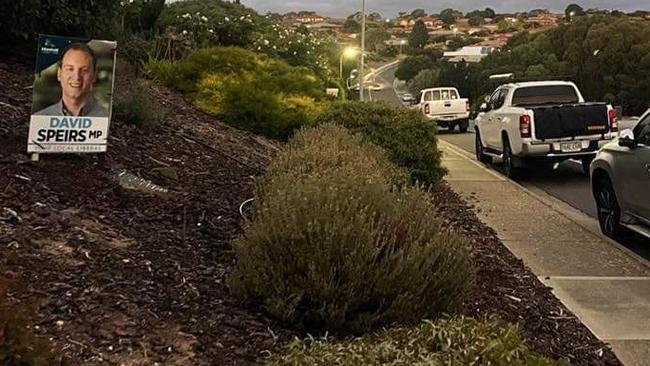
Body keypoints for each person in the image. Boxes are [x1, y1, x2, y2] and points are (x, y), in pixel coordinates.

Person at [34, 43, 108, 117]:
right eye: (70, 69)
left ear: (94, 75)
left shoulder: (107, 119)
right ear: (59, 74)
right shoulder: (40, 118)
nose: (76, 77)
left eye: (84, 70)